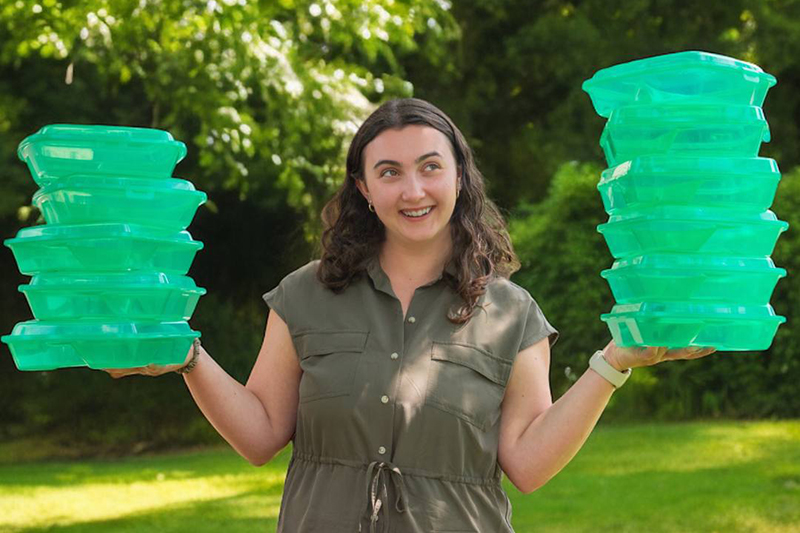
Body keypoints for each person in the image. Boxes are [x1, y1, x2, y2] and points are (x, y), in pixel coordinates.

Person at [105, 97, 717, 532]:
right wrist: (188, 358)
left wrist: (614, 363)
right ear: (364, 189)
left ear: (458, 176)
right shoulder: (303, 295)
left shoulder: (511, 311)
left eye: (430, 167)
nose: (413, 191)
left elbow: (527, 465)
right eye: (389, 172)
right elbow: (262, 434)